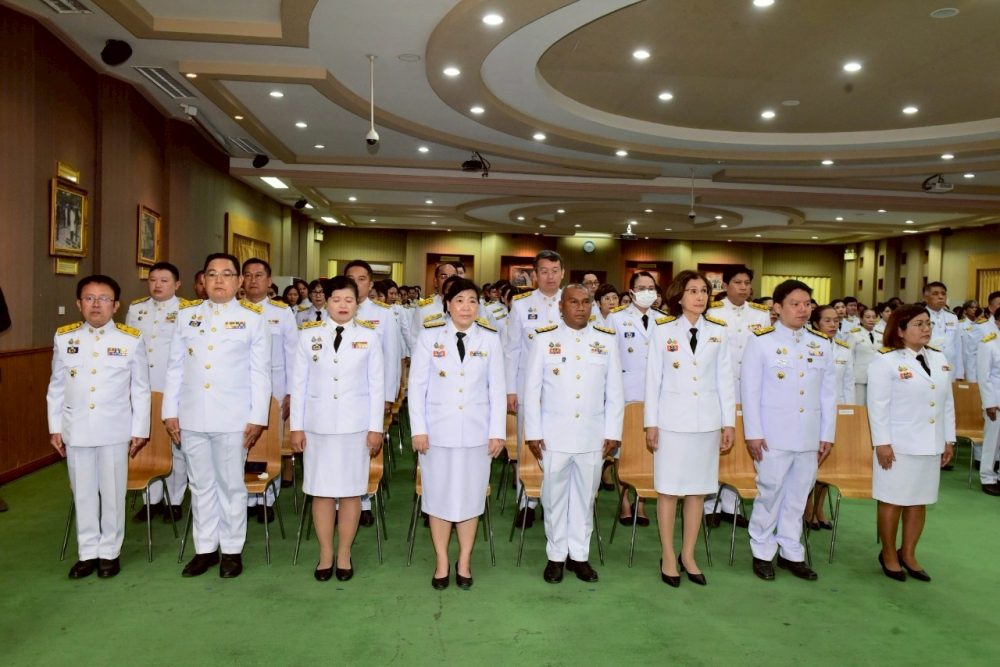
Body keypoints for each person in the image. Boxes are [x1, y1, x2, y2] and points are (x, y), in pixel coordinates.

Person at [163, 253, 271, 579]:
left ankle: (232, 550)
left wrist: (257, 417)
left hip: (233, 417)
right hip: (192, 415)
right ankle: (205, 549)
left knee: (231, 485)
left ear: (239, 281)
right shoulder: (187, 316)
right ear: (203, 280)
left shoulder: (252, 318)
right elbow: (175, 367)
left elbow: (260, 373)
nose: (219, 280)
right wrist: (170, 411)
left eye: (226, 274)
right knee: (199, 485)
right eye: (212, 274)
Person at [47, 275, 151, 578]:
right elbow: (56, 386)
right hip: (76, 427)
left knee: (113, 493)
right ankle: (87, 553)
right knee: (83, 493)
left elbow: (140, 389)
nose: (96, 304)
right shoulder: (64, 338)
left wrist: (139, 430)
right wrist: (55, 427)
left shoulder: (130, 339)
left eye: (104, 298)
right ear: (79, 304)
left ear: (116, 305)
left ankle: (109, 553)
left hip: (114, 429)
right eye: (89, 298)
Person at [408, 278, 506, 589]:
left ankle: (464, 560)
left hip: (477, 435)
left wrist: (497, 432)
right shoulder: (429, 337)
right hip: (437, 434)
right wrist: (418, 429)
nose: (466, 307)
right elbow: (416, 387)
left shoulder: (489, 339)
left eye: (472, 301)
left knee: (471, 499)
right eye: (460, 300)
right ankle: (441, 561)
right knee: (437, 497)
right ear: (448, 305)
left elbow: (498, 390)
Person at [523, 284, 624, 583]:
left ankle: (579, 556)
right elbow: (532, 390)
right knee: (553, 498)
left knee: (585, 498)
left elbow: (615, 392)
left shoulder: (606, 340)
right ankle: (556, 555)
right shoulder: (544, 339)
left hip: (593, 435)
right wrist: (533, 432)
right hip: (553, 435)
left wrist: (613, 432)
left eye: (586, 302)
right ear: (561, 306)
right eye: (573, 302)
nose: (580, 307)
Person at [289, 276, 384, 582]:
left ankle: (344, 553)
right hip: (317, 427)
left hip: (355, 428)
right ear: (325, 302)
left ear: (357, 304)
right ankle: (325, 554)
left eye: (349, 300)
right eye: (336, 299)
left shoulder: (369, 337)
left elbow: (377, 387)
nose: (343, 305)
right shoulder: (308, 336)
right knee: (321, 493)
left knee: (352, 493)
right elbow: (298, 385)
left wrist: (375, 428)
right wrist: (296, 427)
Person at [644, 271, 735, 587]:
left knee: (697, 491)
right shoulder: (662, 330)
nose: (700, 296)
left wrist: (728, 423)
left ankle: (688, 554)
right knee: (668, 491)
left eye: (704, 291)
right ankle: (668, 555)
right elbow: (652, 380)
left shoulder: (718, 332)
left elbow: (725, 380)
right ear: (679, 296)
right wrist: (651, 423)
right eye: (693, 290)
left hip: (706, 422)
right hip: (671, 423)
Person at [742, 280, 836, 582]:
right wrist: (753, 433)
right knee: (770, 492)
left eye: (807, 304)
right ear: (778, 307)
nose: (803, 309)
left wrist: (827, 434)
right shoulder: (761, 341)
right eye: (795, 304)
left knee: (798, 494)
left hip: (808, 434)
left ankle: (791, 551)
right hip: (773, 434)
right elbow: (750, 392)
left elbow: (828, 394)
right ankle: (762, 550)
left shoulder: (821, 344)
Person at [867, 304, 956, 581]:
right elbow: (877, 406)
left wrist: (949, 439)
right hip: (898, 445)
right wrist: (882, 443)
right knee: (892, 500)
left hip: (930, 443)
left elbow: (947, 403)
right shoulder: (885, 361)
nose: (926, 328)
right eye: (918, 324)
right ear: (901, 330)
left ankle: (908, 553)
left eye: (928, 323)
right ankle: (888, 554)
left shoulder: (939, 358)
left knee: (920, 501)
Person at [704, 265, 771, 527]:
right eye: (737, 282)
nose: (743, 287)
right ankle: (709, 504)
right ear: (725, 286)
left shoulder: (760, 314)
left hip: (751, 390)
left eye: (747, 283)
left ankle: (732, 505)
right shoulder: (713, 312)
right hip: (719, 386)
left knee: (742, 446)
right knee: (715, 444)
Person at [504, 250, 565, 528]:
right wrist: (510, 390)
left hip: (564, 390)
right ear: (535, 274)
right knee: (528, 445)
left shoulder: (573, 301)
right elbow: (512, 349)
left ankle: (557, 501)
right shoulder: (521, 305)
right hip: (529, 388)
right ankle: (526, 502)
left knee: (560, 447)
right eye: (544, 271)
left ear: (562, 273)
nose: (550, 276)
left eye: (555, 271)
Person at [344, 260, 403, 526]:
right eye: (351, 278)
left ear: (370, 284)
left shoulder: (383, 314)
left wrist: (388, 397)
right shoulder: (335, 310)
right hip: (341, 395)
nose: (356, 284)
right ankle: (339, 502)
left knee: (365, 450)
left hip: (370, 396)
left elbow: (392, 356)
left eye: (362, 279)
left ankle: (363, 501)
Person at [126, 261, 185, 523]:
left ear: (177, 284)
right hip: (142, 389)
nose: (157, 285)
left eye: (164, 280)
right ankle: (151, 500)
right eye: (152, 280)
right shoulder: (136, 309)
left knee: (175, 447)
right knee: (144, 442)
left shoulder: (187, 310)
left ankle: (175, 501)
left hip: (172, 389)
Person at [242, 258, 298, 523]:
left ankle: (266, 498)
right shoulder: (234, 311)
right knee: (242, 444)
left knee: (269, 445)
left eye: (258, 275)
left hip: (274, 388)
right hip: (240, 388)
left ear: (269, 280)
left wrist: (291, 393)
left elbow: (293, 355)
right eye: (248, 275)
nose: (253, 280)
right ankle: (245, 497)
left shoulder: (282, 312)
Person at [608, 271, 661, 525]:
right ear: (631, 292)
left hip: (657, 396)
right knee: (624, 451)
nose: (646, 292)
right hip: (626, 394)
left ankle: (642, 502)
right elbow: (609, 360)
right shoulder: (616, 318)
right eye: (641, 288)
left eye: (651, 287)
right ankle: (625, 502)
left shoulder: (664, 320)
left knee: (650, 450)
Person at [803, 304, 853, 530]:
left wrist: (849, 414)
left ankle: (819, 508)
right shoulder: (807, 345)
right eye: (827, 321)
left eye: (836, 321)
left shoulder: (844, 349)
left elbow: (848, 385)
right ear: (815, 323)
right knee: (810, 464)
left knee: (828, 464)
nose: (833, 325)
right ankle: (806, 508)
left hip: (836, 413)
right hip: (812, 412)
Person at [977, 308, 1000, 496]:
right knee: (992, 442)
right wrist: (989, 404)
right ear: (998, 322)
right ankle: (987, 477)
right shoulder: (989, 344)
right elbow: (983, 377)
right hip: (996, 401)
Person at [410, 262, 457, 351]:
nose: (449, 281)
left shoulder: (469, 308)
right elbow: (415, 339)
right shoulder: (423, 308)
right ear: (435, 282)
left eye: (453, 277)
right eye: (444, 277)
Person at [923, 282, 963, 380]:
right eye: (935, 294)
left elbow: (958, 345)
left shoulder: (952, 317)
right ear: (925, 297)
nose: (941, 297)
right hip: (928, 365)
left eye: (943, 293)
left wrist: (960, 373)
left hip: (949, 366)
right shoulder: (919, 316)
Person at [851, 307, 881, 405]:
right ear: (861, 319)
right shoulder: (854, 334)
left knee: (875, 405)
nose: (871, 319)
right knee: (860, 405)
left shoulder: (881, 334)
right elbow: (849, 357)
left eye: (874, 317)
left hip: (877, 376)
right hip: (860, 377)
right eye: (868, 317)